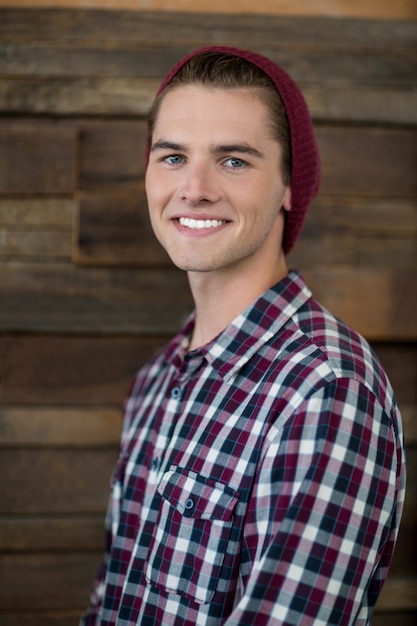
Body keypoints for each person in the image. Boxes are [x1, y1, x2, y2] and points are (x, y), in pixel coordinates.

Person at [80, 46, 406, 626]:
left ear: (288, 186)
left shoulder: (327, 391)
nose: (195, 188)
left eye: (234, 161)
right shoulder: (158, 380)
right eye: (173, 156)